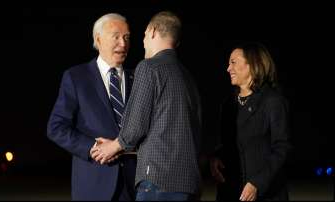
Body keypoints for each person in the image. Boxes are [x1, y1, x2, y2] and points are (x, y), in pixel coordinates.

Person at [90, 11, 202, 201]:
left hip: (158, 181)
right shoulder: (188, 77)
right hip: (190, 183)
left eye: (142, 36)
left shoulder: (149, 67)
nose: (142, 42)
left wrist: (113, 146)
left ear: (152, 31)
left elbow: (136, 125)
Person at [47, 13, 136, 200]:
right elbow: (56, 128)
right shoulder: (76, 77)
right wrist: (92, 147)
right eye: (116, 37)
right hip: (94, 184)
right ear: (98, 39)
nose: (123, 43)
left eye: (127, 37)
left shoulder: (138, 79)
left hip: (135, 185)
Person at [209, 42, 291, 201]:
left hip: (265, 193)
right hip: (230, 191)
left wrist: (257, 183)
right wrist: (216, 157)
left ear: (253, 64)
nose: (228, 68)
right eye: (228, 63)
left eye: (233, 62)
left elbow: (283, 148)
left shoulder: (272, 101)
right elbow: (229, 142)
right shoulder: (228, 104)